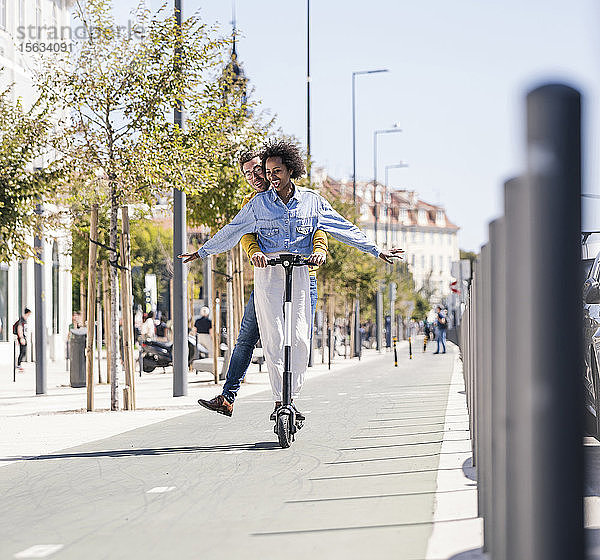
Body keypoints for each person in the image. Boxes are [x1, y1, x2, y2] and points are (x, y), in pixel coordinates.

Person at [179, 139, 403, 421]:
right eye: (256, 173)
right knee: (265, 338)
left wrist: (373, 249)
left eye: (268, 171)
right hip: (269, 274)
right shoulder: (256, 204)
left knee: (298, 337)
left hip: (301, 273)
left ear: (289, 169)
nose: (263, 177)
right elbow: (236, 231)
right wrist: (204, 251)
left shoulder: (312, 201)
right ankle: (258, 397)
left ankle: (288, 396)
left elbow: (336, 228)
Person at [194, 149, 327, 417]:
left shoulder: (302, 199)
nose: (255, 177)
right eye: (248, 174)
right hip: (269, 280)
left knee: (297, 337)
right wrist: (253, 251)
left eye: (258, 170)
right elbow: (244, 234)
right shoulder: (254, 202)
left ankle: (286, 401)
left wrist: (320, 250)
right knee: (248, 338)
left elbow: (318, 227)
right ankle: (229, 397)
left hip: (302, 279)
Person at [13, 308, 31, 372]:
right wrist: (21, 338)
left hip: (24, 337)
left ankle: (19, 364)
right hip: (22, 338)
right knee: (22, 351)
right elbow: (19, 328)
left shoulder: (24, 320)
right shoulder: (22, 320)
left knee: (23, 351)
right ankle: (18, 364)